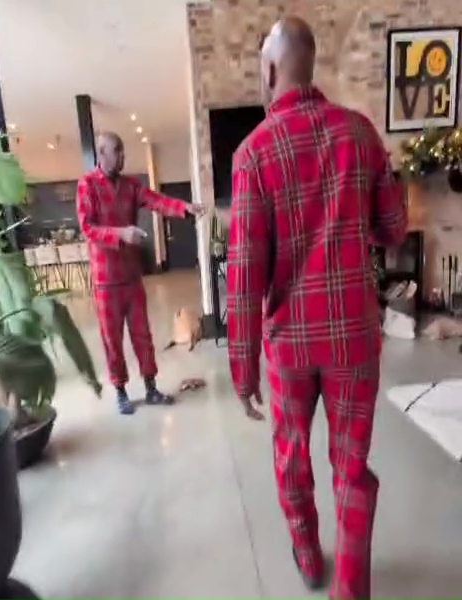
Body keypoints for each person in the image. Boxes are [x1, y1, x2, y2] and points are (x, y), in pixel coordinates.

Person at [226, 17, 407, 600]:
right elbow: (393, 230)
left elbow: (245, 273)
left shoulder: (252, 154)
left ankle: (307, 550)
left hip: (290, 346)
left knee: (291, 452)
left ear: (272, 69)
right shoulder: (361, 133)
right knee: (351, 465)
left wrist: (241, 365)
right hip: (355, 335)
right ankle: (352, 588)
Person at [76, 132, 206, 415]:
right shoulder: (87, 186)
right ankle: (121, 390)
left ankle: (151, 388)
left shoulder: (131, 185)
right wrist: (121, 233)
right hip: (105, 282)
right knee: (112, 340)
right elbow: (88, 229)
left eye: (123, 150)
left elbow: (156, 201)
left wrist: (184, 208)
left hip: (131, 277)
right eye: (117, 150)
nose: (123, 156)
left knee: (142, 335)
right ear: (102, 153)